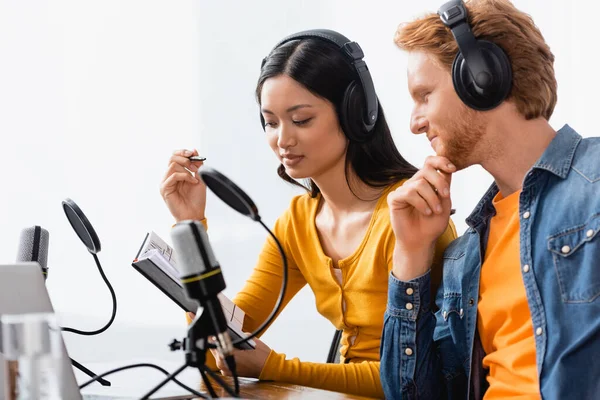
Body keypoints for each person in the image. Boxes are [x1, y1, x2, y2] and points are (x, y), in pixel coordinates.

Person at [160, 29, 456, 398]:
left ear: (354, 113)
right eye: (270, 122)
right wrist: (190, 227)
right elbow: (220, 345)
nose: (282, 139)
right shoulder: (298, 221)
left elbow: (427, 374)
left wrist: (276, 368)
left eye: (300, 120)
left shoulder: (411, 215)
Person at [380, 0, 600, 399]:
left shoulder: (596, 183)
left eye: (424, 95)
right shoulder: (465, 256)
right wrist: (411, 254)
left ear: (481, 78)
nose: (414, 122)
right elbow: (410, 394)